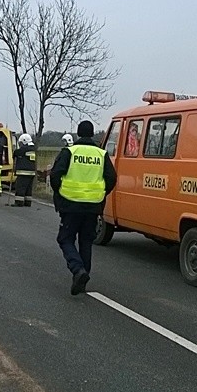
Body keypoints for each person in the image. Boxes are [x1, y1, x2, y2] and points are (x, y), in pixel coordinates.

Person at [50, 120, 117, 295]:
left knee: (65, 239)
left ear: (79, 133)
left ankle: (77, 269)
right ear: (92, 133)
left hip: (71, 204)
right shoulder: (101, 154)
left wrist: (60, 192)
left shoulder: (70, 152)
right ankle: (83, 276)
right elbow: (112, 178)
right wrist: (100, 192)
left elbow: (55, 175)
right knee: (86, 241)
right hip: (93, 206)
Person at [12, 133, 37, 207]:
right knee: (28, 188)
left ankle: (19, 202)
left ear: (24, 141)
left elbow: (16, 152)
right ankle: (27, 202)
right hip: (31, 172)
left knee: (21, 187)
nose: (21, 144)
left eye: (21, 142)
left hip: (23, 172)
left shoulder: (24, 149)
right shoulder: (33, 149)